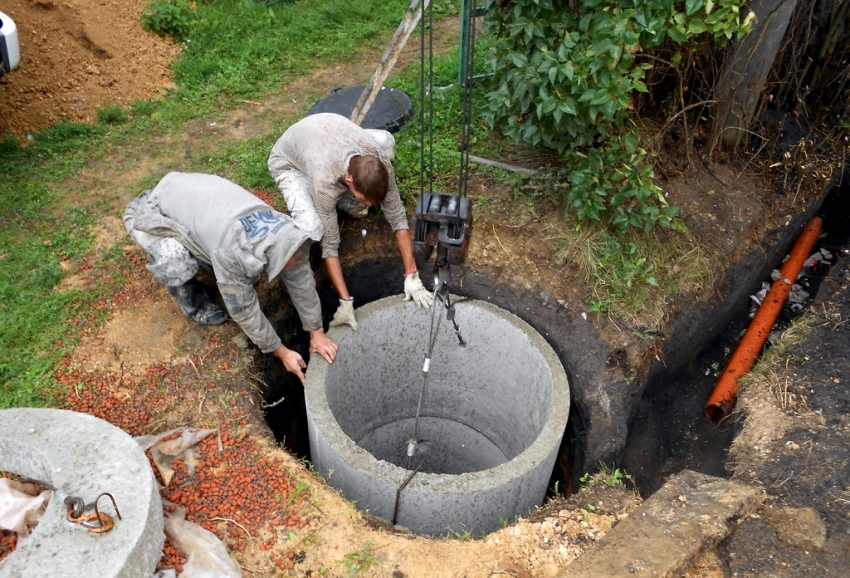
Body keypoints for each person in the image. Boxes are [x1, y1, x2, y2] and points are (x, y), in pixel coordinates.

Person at [123, 171, 338, 384]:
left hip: (186, 194)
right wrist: (281, 352)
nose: (295, 266)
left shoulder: (283, 227)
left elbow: (300, 276)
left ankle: (203, 257)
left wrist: (316, 332)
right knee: (174, 256)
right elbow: (243, 310)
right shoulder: (229, 251)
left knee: (240, 273)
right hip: (150, 211)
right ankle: (195, 304)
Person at [268, 112, 433, 331]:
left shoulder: (378, 160)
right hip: (290, 161)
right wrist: (345, 302)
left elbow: (397, 216)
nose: (372, 206)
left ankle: (348, 201)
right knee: (314, 227)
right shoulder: (324, 181)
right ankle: (325, 201)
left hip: (328, 133)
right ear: (349, 181)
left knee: (386, 141)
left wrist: (411, 275)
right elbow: (330, 246)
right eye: (365, 197)